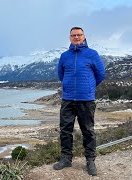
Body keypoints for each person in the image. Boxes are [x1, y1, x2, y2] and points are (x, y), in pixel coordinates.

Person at [54, 26, 105, 176]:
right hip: (68, 99)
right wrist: (69, 86)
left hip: (86, 100)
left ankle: (90, 161)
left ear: (84, 36)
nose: (76, 37)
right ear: (70, 38)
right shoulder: (64, 56)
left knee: (88, 131)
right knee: (65, 130)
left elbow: (101, 74)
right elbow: (61, 75)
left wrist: (89, 86)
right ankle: (66, 158)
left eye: (79, 35)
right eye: (73, 35)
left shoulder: (92, 54)